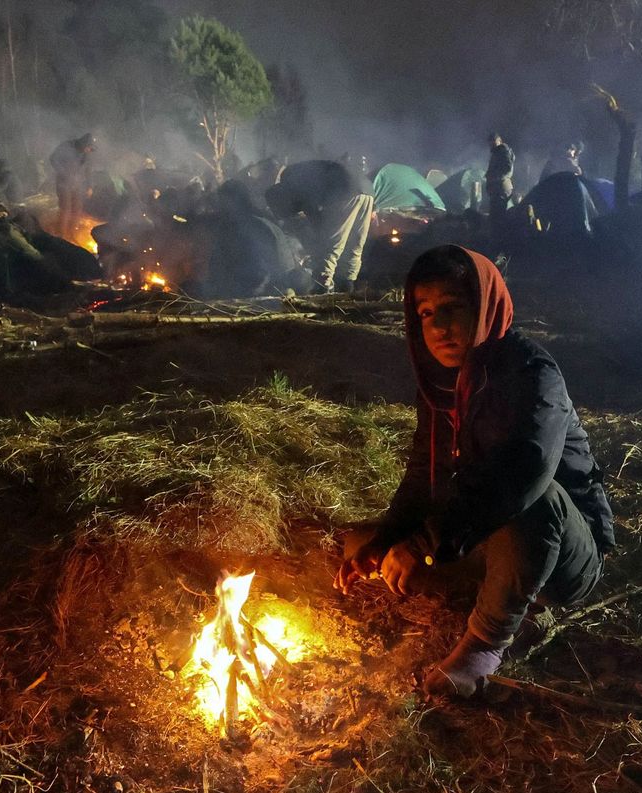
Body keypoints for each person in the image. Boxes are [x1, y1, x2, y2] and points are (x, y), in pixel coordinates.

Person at [334, 245, 615, 698]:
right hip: (483, 538)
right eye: (426, 313)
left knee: (531, 497)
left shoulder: (531, 372)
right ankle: (494, 589)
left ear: (484, 304)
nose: (440, 327)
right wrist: (388, 540)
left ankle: (485, 645)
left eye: (453, 308)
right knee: (360, 544)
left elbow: (526, 472)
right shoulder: (442, 383)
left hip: (561, 553)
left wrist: (424, 543)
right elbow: (425, 473)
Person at [264, 159, 374, 292]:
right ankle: (347, 286)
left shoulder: (290, 182)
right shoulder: (292, 176)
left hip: (343, 190)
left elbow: (312, 211)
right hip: (365, 189)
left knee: (330, 246)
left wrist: (319, 235)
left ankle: (322, 288)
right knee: (354, 245)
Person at [50, 133, 96, 240]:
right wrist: (63, 173)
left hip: (77, 184)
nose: (89, 151)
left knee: (77, 208)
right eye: (89, 148)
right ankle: (61, 235)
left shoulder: (86, 153)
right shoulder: (66, 146)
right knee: (65, 208)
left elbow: (88, 169)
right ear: (83, 144)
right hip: (64, 183)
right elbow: (53, 158)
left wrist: (90, 186)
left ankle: (72, 233)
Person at [484, 133, 515, 237]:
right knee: (495, 216)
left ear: (499, 141)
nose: (491, 144)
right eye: (490, 142)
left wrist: (496, 178)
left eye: (494, 141)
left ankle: (500, 239)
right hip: (497, 189)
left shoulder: (503, 151)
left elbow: (508, 169)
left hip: (501, 188)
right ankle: (497, 238)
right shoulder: (496, 152)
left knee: (498, 216)